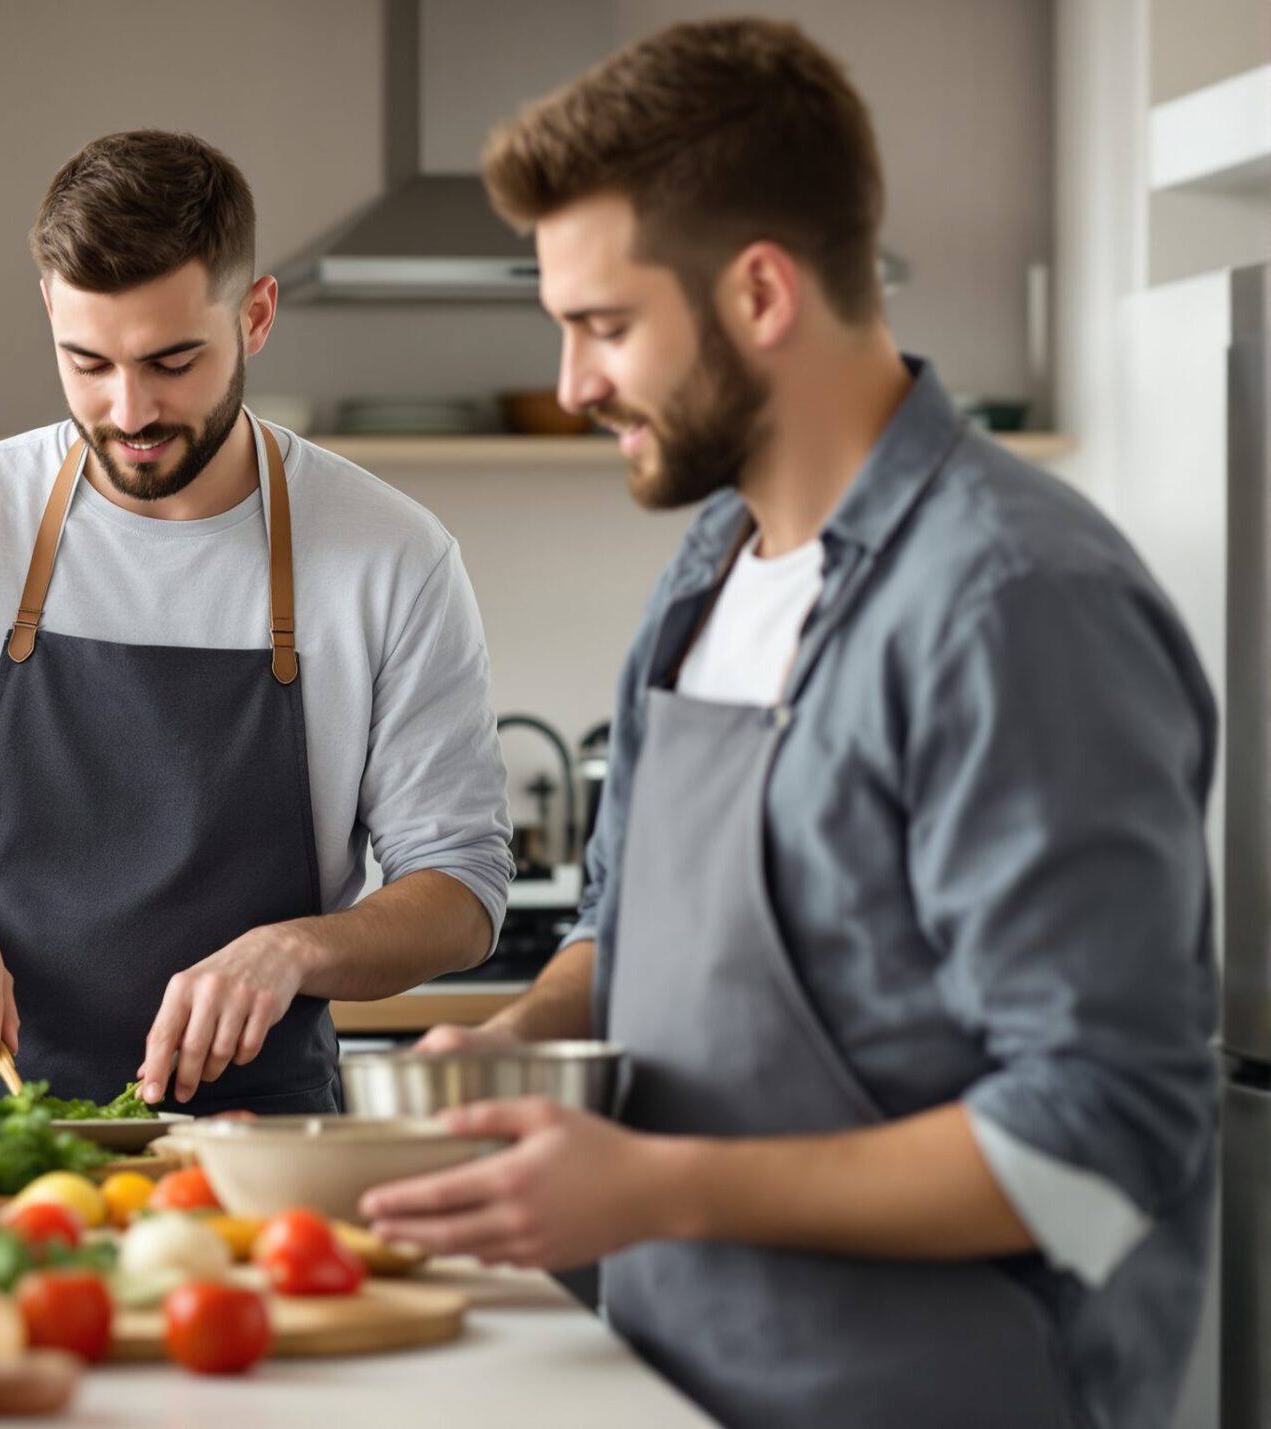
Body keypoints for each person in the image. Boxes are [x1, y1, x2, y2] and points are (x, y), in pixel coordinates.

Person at [367, 22, 1218, 1429]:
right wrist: (517, 1034)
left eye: (605, 324)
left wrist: (652, 1184)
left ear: (760, 291)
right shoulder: (710, 571)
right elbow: (623, 931)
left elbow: (1099, 1135)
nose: (575, 384)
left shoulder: (1012, 604)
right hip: (680, 1377)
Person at [0, 131, 513, 1114]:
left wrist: (294, 949)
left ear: (254, 318)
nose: (128, 410)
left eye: (172, 361)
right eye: (86, 362)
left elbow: (460, 891)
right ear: (48, 309)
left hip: (254, 1147)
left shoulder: (391, 555)